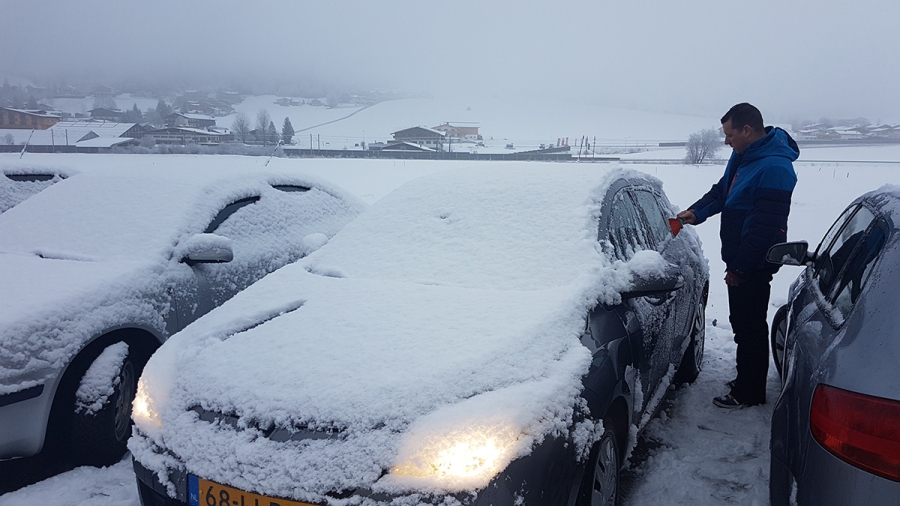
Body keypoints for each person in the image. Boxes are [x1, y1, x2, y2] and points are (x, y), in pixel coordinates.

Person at [677, 103, 798, 409]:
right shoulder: (744, 156)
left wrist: (740, 269)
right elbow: (723, 192)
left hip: (753, 263)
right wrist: (696, 212)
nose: (726, 141)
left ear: (747, 130)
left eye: (729, 134)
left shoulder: (775, 168)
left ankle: (750, 392)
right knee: (742, 324)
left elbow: (764, 230)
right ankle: (747, 379)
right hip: (740, 261)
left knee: (750, 327)